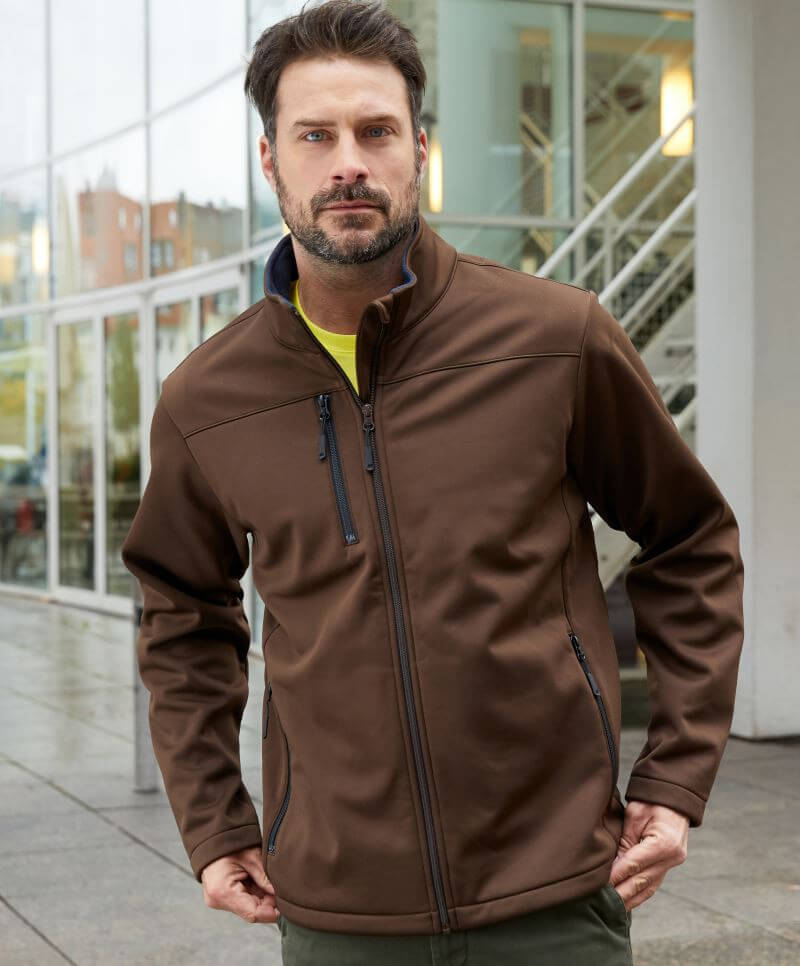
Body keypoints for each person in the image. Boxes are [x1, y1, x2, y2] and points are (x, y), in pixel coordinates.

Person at [120, 2, 745, 963]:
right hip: (337, 913)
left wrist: (676, 777)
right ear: (270, 161)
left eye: (376, 131)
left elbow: (690, 539)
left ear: (418, 149)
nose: (348, 163)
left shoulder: (555, 339)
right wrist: (214, 822)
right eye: (315, 136)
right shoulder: (207, 398)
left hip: (556, 900)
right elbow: (180, 613)